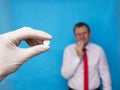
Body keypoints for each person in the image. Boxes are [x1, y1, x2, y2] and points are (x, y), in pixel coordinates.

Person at [61, 22, 111, 90]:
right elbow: (65, 75)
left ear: (90, 33)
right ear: (75, 37)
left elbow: (105, 73)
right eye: (78, 34)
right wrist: (78, 57)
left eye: (84, 33)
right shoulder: (68, 50)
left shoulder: (98, 50)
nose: (82, 36)